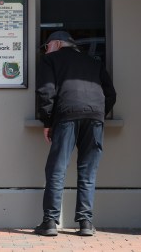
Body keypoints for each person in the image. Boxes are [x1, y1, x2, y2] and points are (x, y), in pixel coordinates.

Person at [34, 30, 116, 237]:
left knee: (57, 170)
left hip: (66, 116)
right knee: (88, 171)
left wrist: (47, 121)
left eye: (47, 46)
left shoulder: (50, 60)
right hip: (95, 117)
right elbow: (111, 93)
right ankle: (85, 223)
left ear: (58, 44)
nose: (46, 50)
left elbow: (46, 91)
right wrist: (98, 111)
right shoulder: (92, 62)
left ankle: (50, 222)